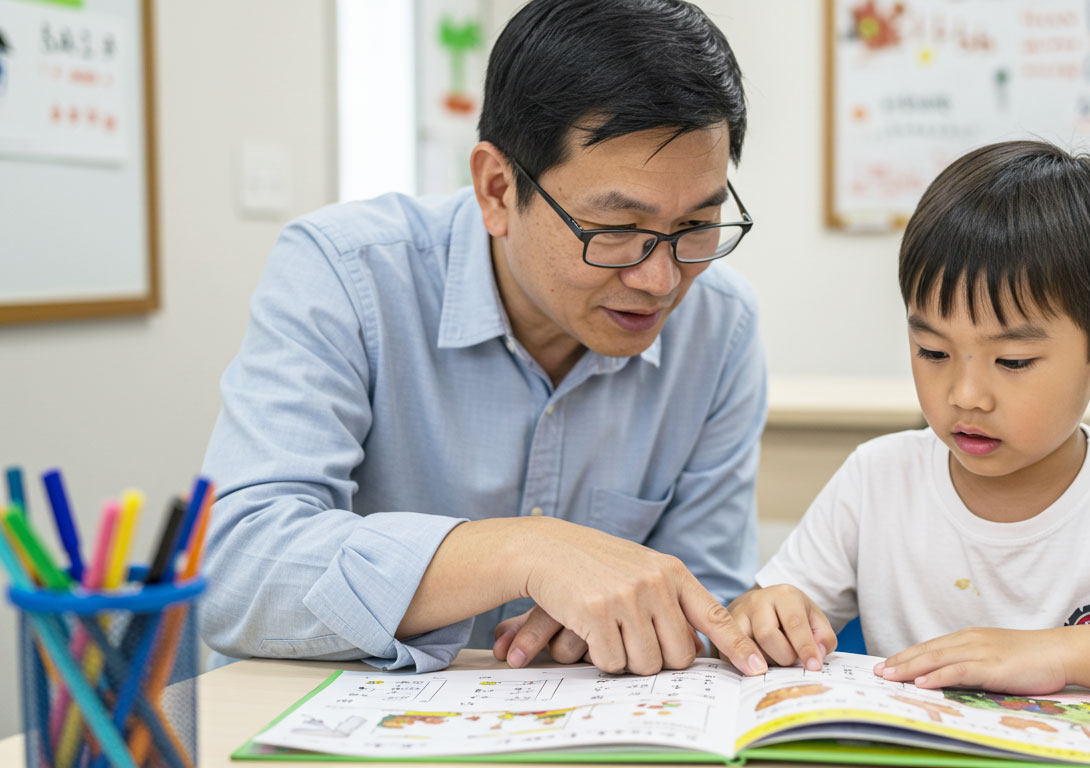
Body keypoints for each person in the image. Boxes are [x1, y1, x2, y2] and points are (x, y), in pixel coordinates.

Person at [199, 0, 769, 678]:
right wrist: (521, 553)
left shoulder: (720, 327)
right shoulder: (347, 274)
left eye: (697, 226)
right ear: (498, 189)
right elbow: (234, 573)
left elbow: (704, 600)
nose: (660, 278)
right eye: (616, 229)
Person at [728, 140, 1090, 698]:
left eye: (1012, 361)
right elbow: (764, 619)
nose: (966, 396)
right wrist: (763, 614)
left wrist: (1056, 653)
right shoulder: (877, 480)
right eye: (933, 351)